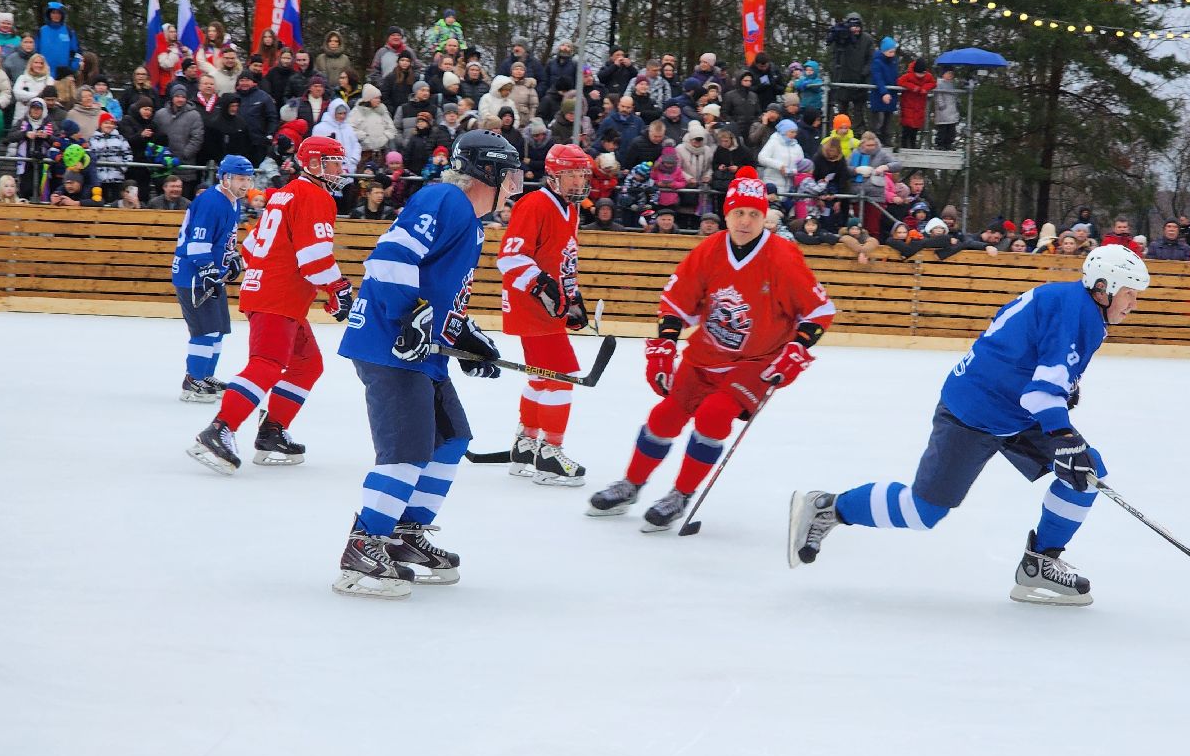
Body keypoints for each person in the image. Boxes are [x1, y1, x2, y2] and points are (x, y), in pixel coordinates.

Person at [788, 245, 1151, 605]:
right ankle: (829, 507)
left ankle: (1039, 563)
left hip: (1014, 411)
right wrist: (1062, 434)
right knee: (923, 511)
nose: (1133, 304)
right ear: (1103, 288)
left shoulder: (1072, 301)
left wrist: (1063, 396)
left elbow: (1020, 345)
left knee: (1085, 474)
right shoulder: (1079, 313)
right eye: (1129, 294)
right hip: (974, 412)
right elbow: (1041, 393)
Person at [587, 166, 835, 531]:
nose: (746, 221)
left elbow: (819, 311)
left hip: (756, 361)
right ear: (726, 214)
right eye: (739, 213)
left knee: (714, 416)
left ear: (764, 216)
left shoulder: (782, 256)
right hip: (705, 354)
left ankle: (680, 494)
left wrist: (796, 350)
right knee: (665, 415)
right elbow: (676, 301)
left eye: (754, 214)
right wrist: (665, 346)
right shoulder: (710, 250)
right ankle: (632, 484)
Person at [332, 129, 520, 598]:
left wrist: (467, 337)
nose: (518, 183)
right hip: (389, 343)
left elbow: (441, 294)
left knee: (450, 439)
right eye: (512, 172)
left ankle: (402, 534)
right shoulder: (444, 199)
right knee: (407, 450)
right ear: (489, 171)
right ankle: (363, 545)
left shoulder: (473, 225)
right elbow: (390, 259)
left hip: (421, 350)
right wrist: (407, 318)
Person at [186, 136, 354, 474]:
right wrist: (338, 288)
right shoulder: (314, 195)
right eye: (333, 161)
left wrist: (240, 264)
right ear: (314, 164)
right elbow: (314, 256)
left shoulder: (284, 193)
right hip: (278, 294)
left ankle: (272, 432)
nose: (340, 168)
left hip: (273, 292)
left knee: (307, 365)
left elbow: (257, 243)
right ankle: (219, 430)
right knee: (267, 363)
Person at [496, 143, 594, 486]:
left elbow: (561, 259)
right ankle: (550, 453)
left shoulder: (571, 209)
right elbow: (509, 258)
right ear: (553, 175)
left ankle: (526, 445)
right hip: (531, 305)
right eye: (572, 174)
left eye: (582, 174)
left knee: (541, 376)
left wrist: (572, 296)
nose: (579, 181)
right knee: (562, 376)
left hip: (547, 306)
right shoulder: (534, 204)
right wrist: (543, 287)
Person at [171, 156, 254, 402]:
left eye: (248, 179)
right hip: (193, 275)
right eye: (241, 178)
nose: (246, 184)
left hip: (210, 274)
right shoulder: (210, 202)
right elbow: (197, 243)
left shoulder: (233, 202)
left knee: (217, 329)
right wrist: (207, 269)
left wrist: (232, 257)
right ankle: (192, 380)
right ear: (225, 178)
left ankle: (205, 375)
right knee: (204, 330)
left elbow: (222, 239)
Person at [932, 68, 962, 148]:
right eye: (948, 73)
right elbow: (938, 96)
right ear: (943, 74)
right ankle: (940, 144)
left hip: (952, 110)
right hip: (943, 111)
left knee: (951, 130)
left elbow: (956, 95)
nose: (950, 75)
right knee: (942, 129)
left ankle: (948, 144)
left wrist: (958, 102)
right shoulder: (940, 83)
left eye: (951, 74)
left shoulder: (952, 84)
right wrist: (941, 105)